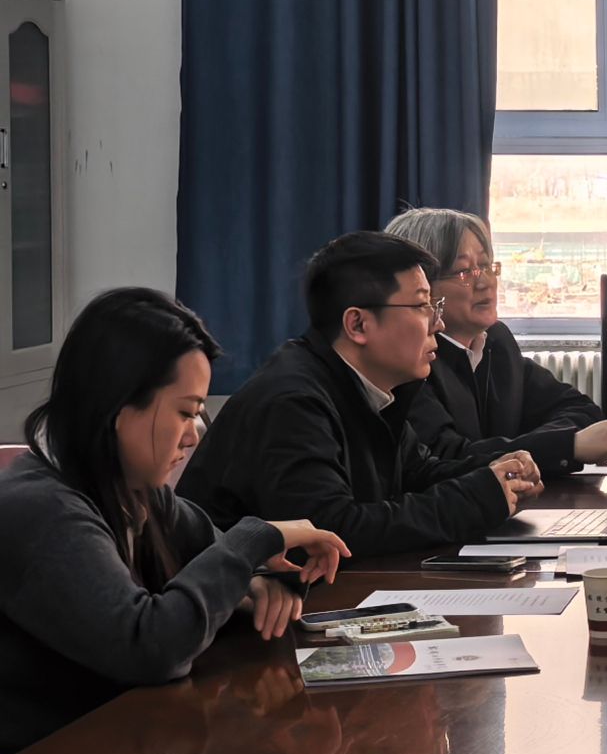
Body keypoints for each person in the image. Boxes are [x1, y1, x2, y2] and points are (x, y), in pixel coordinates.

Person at [0, 289, 350, 754]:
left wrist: (257, 586)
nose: (192, 437)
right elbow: (149, 647)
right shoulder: (42, 509)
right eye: (185, 412)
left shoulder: (135, 490)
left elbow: (221, 559)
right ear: (120, 407)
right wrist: (257, 539)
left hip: (114, 752)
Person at [180, 232, 544, 557]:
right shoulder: (292, 401)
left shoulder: (368, 385)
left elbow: (416, 472)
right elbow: (331, 530)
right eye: (422, 306)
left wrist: (496, 471)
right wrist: (474, 500)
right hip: (247, 605)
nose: (439, 322)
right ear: (357, 324)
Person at [383, 208, 607, 478]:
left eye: (486, 266)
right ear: (422, 287)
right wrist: (566, 446)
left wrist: (526, 449)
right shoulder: (410, 362)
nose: (485, 282)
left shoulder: (496, 341)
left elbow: (581, 409)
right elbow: (447, 459)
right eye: (464, 271)